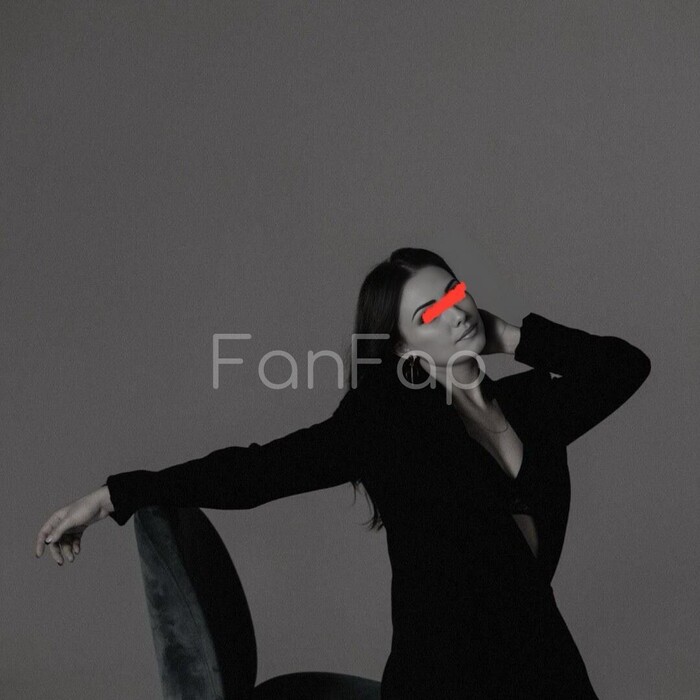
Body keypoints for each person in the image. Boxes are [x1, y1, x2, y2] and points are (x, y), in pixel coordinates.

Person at [35, 247, 651, 698]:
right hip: (445, 682)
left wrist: (513, 336)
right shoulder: (386, 425)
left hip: (545, 669)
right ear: (404, 348)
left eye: (454, 291)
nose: (454, 312)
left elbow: (626, 367)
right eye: (429, 312)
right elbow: (261, 470)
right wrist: (115, 494)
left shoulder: (533, 409)